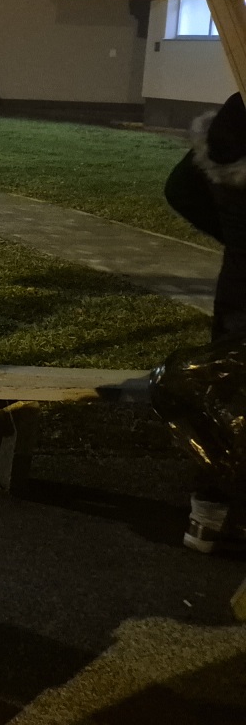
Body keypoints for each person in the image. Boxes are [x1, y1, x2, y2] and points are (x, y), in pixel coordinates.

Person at [162, 93, 246, 551]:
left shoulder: (235, 112)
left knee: (230, 390)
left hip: (239, 285)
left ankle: (207, 516)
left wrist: (235, 240)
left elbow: (181, 188)